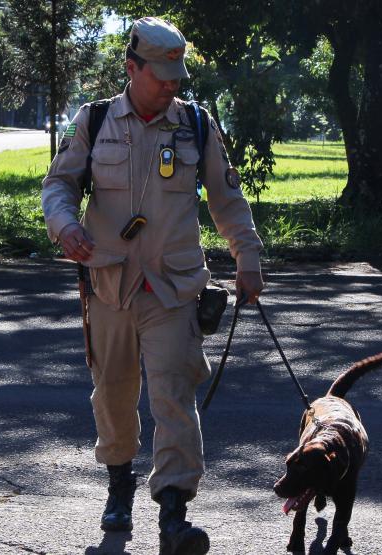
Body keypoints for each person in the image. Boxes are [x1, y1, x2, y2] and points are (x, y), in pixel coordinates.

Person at [41, 17, 263, 555]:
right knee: (113, 393)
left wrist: (247, 257)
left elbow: (226, 199)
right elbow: (58, 184)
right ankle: (119, 488)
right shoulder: (94, 121)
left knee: (174, 396)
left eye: (175, 75)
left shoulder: (197, 126)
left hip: (172, 287)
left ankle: (173, 511)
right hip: (110, 283)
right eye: (160, 74)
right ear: (131, 68)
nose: (170, 84)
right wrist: (65, 226)